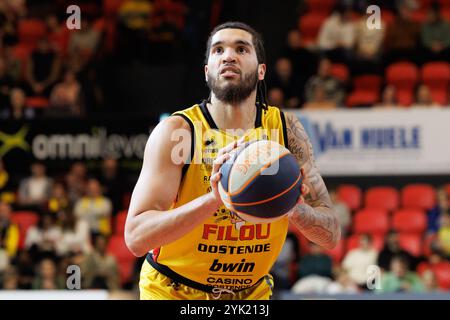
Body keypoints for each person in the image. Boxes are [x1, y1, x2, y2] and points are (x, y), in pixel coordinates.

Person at [125, 21, 340, 300]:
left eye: (241, 48)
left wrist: (296, 209)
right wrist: (214, 199)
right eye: (218, 50)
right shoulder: (179, 131)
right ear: (207, 72)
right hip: (174, 290)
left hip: (251, 294)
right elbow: (136, 237)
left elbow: (330, 235)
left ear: (261, 70)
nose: (228, 56)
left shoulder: (286, 130)